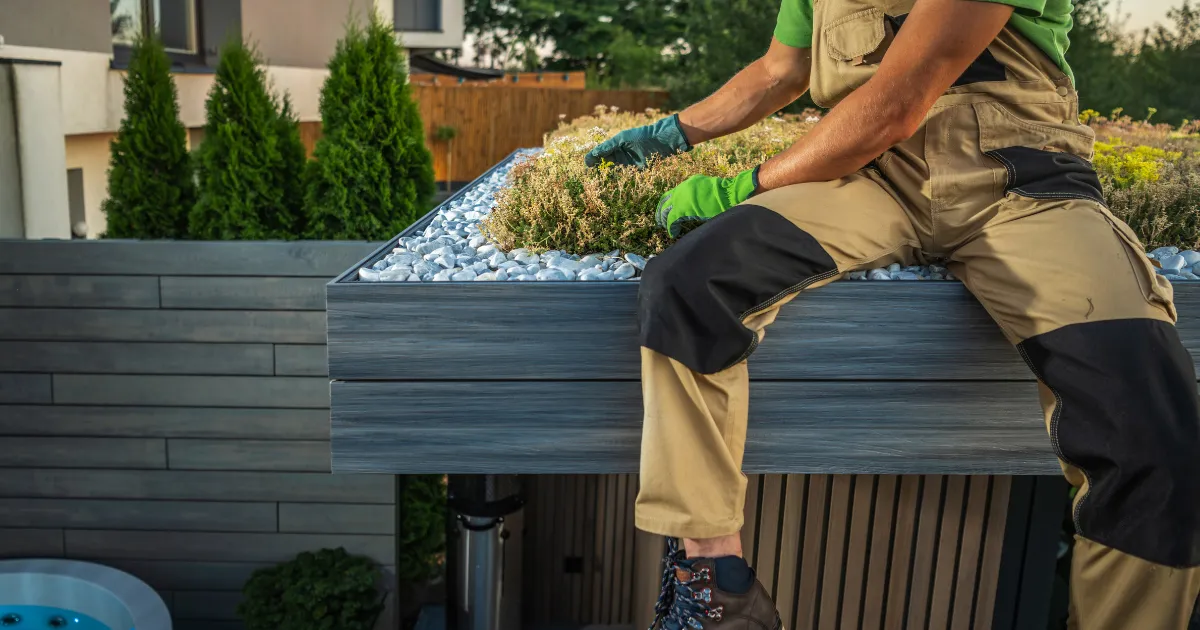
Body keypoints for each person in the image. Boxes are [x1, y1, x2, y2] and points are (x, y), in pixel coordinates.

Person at [585, 0, 1200, 628]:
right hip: (871, 179)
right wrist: (674, 133)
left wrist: (744, 186)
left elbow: (898, 101)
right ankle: (717, 590)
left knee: (1150, 424)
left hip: (1022, 182)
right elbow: (779, 69)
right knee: (691, 281)